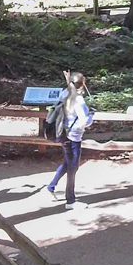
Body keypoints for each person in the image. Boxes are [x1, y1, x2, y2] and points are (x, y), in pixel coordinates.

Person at [46, 71, 93, 208]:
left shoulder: (64, 94)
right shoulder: (79, 101)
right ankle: (70, 201)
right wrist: (91, 115)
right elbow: (84, 122)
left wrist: (68, 80)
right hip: (73, 137)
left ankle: (51, 186)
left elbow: (69, 90)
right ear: (82, 84)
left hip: (62, 134)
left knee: (68, 163)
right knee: (73, 167)